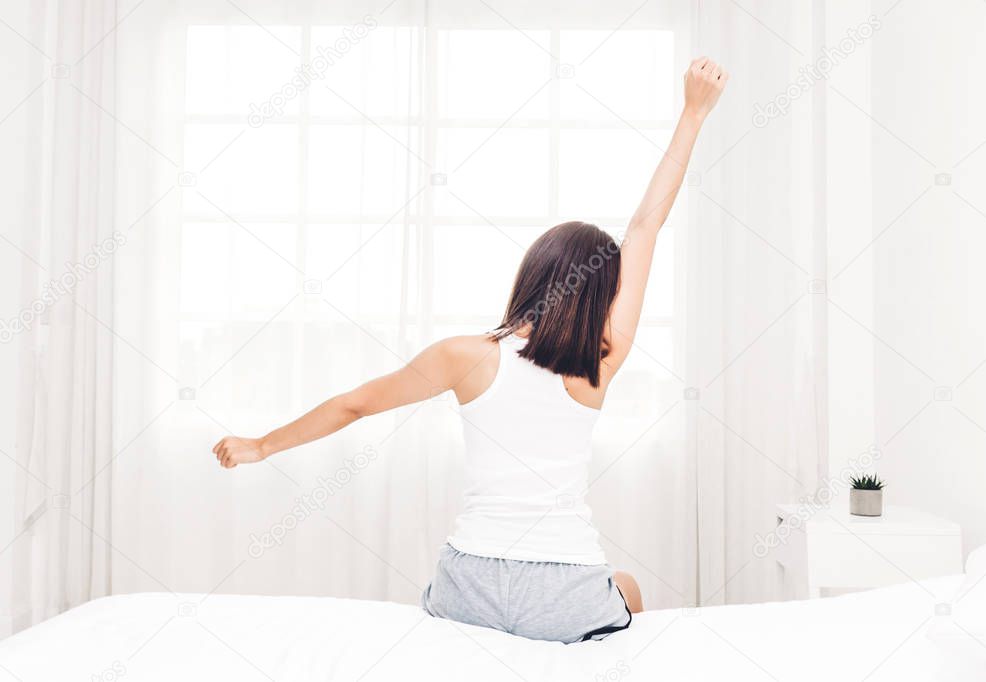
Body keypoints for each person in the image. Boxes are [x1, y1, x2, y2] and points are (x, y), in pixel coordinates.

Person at [212, 56, 728, 643]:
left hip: (469, 586)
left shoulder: (468, 356)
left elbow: (355, 405)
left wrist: (261, 444)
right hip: (563, 594)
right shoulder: (601, 362)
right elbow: (643, 229)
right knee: (629, 587)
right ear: (601, 299)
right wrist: (692, 113)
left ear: (531, 276)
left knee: (468, 597)